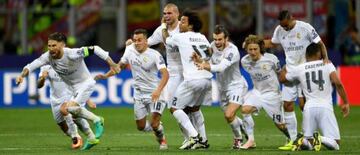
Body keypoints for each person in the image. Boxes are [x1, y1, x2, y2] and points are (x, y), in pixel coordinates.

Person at [16, 32, 119, 150]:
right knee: (73, 114)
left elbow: (95, 49)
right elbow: (31, 66)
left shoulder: (72, 54)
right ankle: (91, 138)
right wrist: (21, 76)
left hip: (85, 84)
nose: (51, 49)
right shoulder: (47, 57)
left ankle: (97, 120)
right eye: (49, 46)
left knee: (65, 108)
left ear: (62, 45)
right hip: (74, 89)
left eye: (54, 45)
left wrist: (113, 64)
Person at [127, 3, 209, 149]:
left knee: (189, 107)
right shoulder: (161, 29)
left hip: (189, 72)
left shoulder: (183, 28)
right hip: (175, 73)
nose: (166, 16)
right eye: (164, 13)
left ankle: (199, 138)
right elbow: (148, 42)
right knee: (179, 106)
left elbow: (169, 41)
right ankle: (192, 137)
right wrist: (132, 45)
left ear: (177, 14)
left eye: (169, 13)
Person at [263, 10, 329, 150]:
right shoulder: (279, 30)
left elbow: (320, 43)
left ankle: (314, 137)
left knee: (305, 106)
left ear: (291, 18)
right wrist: (256, 42)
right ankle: (293, 140)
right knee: (287, 105)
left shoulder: (305, 27)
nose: (284, 28)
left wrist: (325, 59)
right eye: (282, 26)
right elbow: (273, 43)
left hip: (305, 71)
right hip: (291, 71)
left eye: (286, 25)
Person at [96, 29, 169, 150]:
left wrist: (158, 90)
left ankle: (162, 139)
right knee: (140, 127)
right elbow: (119, 66)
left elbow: (165, 74)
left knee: (154, 123)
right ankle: (157, 127)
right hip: (139, 94)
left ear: (146, 41)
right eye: (135, 40)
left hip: (155, 93)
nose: (137, 43)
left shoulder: (155, 55)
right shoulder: (129, 50)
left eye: (140, 40)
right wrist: (106, 75)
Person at [279, 43, 350, 151]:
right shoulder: (327, 64)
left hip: (309, 108)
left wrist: (285, 67)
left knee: (309, 143)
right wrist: (345, 102)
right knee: (336, 143)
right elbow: (338, 83)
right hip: (325, 106)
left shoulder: (300, 68)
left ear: (306, 55)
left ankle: (303, 140)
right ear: (319, 53)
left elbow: (283, 79)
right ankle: (319, 137)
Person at [192, 25, 248, 149]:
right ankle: (245, 127)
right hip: (222, 88)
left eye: (220, 39)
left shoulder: (232, 51)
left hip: (236, 86)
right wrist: (199, 59)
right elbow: (208, 60)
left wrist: (204, 65)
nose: (217, 42)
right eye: (215, 39)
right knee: (230, 117)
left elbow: (220, 68)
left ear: (226, 39)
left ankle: (238, 139)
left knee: (229, 115)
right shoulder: (212, 46)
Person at [164, 9, 212, 150]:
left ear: (190, 26)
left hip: (192, 79)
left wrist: (163, 27)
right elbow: (209, 55)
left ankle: (194, 136)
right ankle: (203, 140)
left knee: (174, 108)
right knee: (194, 109)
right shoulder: (203, 37)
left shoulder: (182, 37)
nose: (180, 24)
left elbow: (167, 40)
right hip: (207, 79)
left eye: (183, 21)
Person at [240, 35, 291, 149]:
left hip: (272, 94)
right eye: (250, 49)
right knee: (245, 109)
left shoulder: (271, 59)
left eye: (255, 49)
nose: (253, 52)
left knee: (280, 125)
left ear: (260, 48)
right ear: (247, 49)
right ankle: (251, 140)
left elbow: (280, 74)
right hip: (257, 92)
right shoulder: (244, 61)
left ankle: (291, 137)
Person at [37, 65, 97, 149]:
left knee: (65, 110)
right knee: (62, 125)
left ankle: (76, 137)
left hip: (70, 96)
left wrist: (87, 99)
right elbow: (39, 85)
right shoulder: (46, 66)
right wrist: (42, 78)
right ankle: (80, 136)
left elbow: (79, 84)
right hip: (55, 100)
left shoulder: (68, 62)